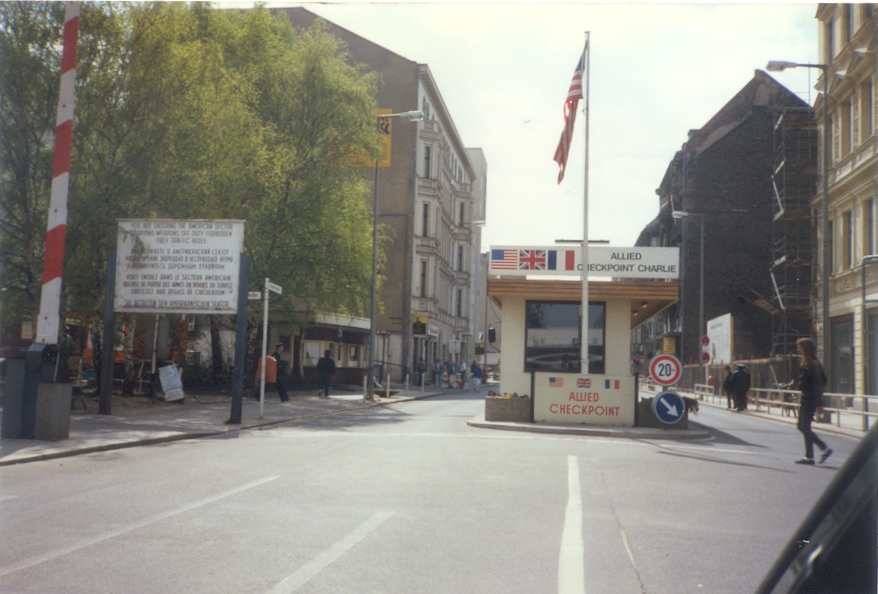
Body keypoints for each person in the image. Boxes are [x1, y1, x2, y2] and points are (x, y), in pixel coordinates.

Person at [794, 338, 832, 465]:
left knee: (803, 426)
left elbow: (818, 384)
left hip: (809, 399)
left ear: (805, 348)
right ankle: (812, 455)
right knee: (804, 426)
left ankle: (821, 450)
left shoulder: (811, 364)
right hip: (809, 398)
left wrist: (819, 402)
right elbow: (823, 381)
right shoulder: (813, 363)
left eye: (799, 347)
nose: (798, 349)